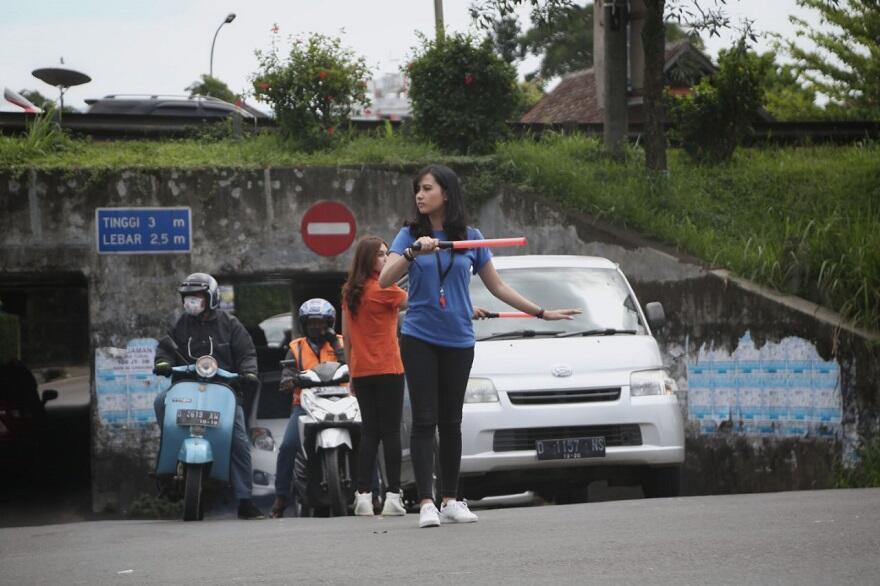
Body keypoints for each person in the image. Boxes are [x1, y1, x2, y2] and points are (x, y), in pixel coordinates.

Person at [379, 164, 581, 528]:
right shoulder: (408, 234)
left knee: (451, 421)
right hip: (420, 336)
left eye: (426, 189)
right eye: (417, 190)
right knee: (425, 420)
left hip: (459, 338)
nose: (419, 196)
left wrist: (542, 312)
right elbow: (384, 280)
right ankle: (426, 502)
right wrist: (411, 253)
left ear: (446, 193)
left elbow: (498, 287)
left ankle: (451, 499)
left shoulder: (471, 237)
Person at [153, 272, 265, 520]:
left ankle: (245, 500)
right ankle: (166, 468)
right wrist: (162, 362)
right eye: (188, 297)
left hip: (223, 390)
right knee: (161, 402)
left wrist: (248, 372)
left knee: (238, 438)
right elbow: (164, 348)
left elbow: (246, 353)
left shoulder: (230, 324)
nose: (191, 301)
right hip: (186, 386)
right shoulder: (181, 325)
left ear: (211, 298)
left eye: (197, 296)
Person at [342, 235, 408, 517]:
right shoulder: (385, 289)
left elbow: (346, 335)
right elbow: (415, 302)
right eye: (381, 255)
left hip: (363, 370)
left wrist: (352, 372)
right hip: (389, 368)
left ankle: (363, 496)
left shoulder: (350, 292)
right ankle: (393, 495)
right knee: (391, 432)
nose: (385, 259)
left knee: (369, 433)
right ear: (369, 260)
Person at [270, 298, 346, 518]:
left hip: (341, 400)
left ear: (330, 323)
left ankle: (374, 494)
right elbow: (287, 374)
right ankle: (281, 497)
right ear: (304, 324)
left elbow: (352, 363)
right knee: (288, 446)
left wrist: (336, 345)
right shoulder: (296, 347)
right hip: (306, 405)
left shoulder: (341, 342)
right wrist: (289, 381)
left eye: (321, 322)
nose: (316, 327)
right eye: (311, 322)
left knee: (366, 436)